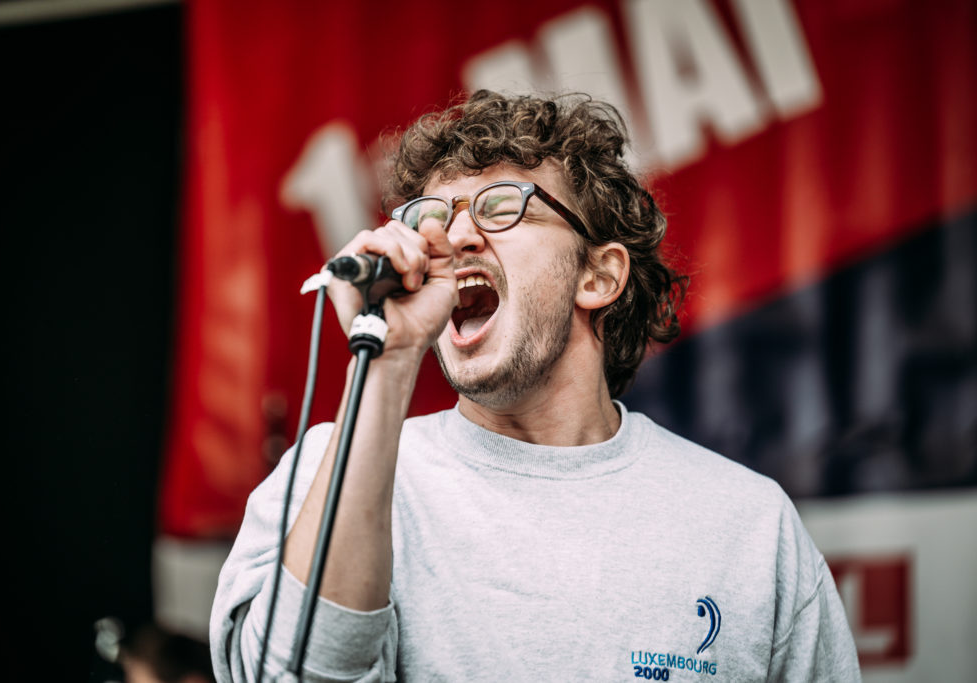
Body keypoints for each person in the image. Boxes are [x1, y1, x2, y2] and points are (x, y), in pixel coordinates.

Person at [210, 90, 861, 682]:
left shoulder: (749, 524)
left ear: (598, 276)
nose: (455, 237)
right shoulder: (329, 472)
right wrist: (387, 361)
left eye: (501, 206)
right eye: (430, 217)